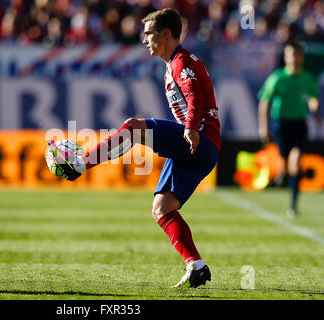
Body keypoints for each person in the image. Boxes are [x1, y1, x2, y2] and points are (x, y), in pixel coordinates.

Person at [50, 8, 220, 288]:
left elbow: (194, 95)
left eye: (149, 33)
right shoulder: (174, 64)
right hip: (198, 149)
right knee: (162, 209)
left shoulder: (180, 61)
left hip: (199, 139)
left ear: (165, 34)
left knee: (133, 127)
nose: (144, 40)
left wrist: (190, 127)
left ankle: (80, 163)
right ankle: (196, 265)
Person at [258, 41, 321, 218]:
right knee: (285, 165)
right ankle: (281, 172)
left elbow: (313, 97)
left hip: (299, 124)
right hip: (281, 124)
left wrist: (315, 108)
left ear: (301, 56)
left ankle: (293, 205)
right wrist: (263, 127)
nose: (293, 58)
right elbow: (265, 101)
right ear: (285, 57)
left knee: (296, 162)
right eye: (289, 54)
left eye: (296, 54)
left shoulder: (307, 78)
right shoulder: (277, 78)